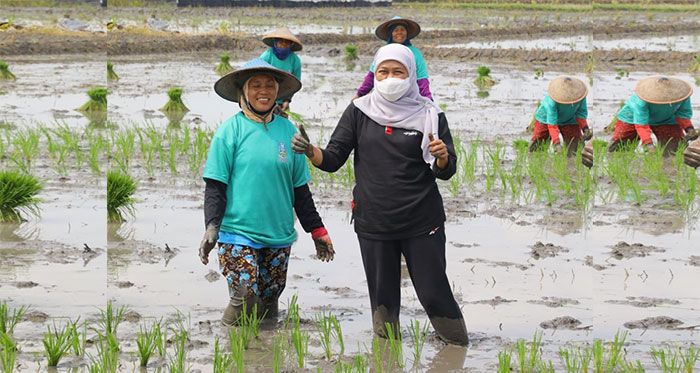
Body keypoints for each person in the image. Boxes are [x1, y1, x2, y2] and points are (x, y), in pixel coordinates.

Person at [292, 44, 468, 345]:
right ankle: (386, 357)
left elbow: (446, 170)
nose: (390, 78)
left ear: (410, 75)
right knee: (383, 298)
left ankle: (457, 348)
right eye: (383, 72)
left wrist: (441, 157)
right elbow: (333, 159)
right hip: (374, 221)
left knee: (433, 291)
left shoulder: (429, 114)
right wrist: (311, 151)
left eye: (398, 72)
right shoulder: (359, 111)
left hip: (421, 220)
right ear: (374, 74)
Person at [199, 58, 334, 326]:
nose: (264, 91)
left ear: (278, 91)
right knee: (245, 296)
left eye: (270, 85)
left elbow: (300, 190)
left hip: (278, 234)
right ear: (244, 92)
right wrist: (212, 226)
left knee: (269, 301)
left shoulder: (289, 132)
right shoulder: (230, 131)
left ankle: (265, 352)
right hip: (237, 232)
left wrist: (317, 231)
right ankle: (229, 344)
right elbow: (216, 185)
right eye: (256, 85)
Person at [608, 76, 696, 155]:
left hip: (666, 119)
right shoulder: (641, 101)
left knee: (674, 151)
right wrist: (648, 144)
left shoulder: (682, 96)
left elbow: (683, 114)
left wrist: (689, 129)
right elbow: (641, 124)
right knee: (618, 150)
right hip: (631, 118)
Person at [354, 16, 433, 101]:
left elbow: (421, 79)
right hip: (385, 96)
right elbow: (371, 76)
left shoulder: (415, 53)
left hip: (407, 98)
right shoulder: (384, 52)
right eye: (396, 30)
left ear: (406, 33)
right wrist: (359, 94)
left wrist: (428, 100)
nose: (399, 33)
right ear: (390, 33)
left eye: (402, 30)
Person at [529, 76, 592, 156]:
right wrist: (557, 144)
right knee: (537, 148)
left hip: (570, 119)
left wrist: (585, 129)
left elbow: (581, 114)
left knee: (575, 149)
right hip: (545, 119)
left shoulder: (580, 96)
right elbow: (552, 125)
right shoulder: (552, 102)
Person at [259, 27, 303, 115]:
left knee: (283, 125)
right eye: (280, 42)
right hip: (264, 99)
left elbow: (294, 83)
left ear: (291, 45)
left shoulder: (295, 60)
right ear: (275, 43)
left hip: (282, 102)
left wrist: (287, 100)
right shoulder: (266, 57)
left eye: (286, 43)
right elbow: (257, 78)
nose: (283, 45)